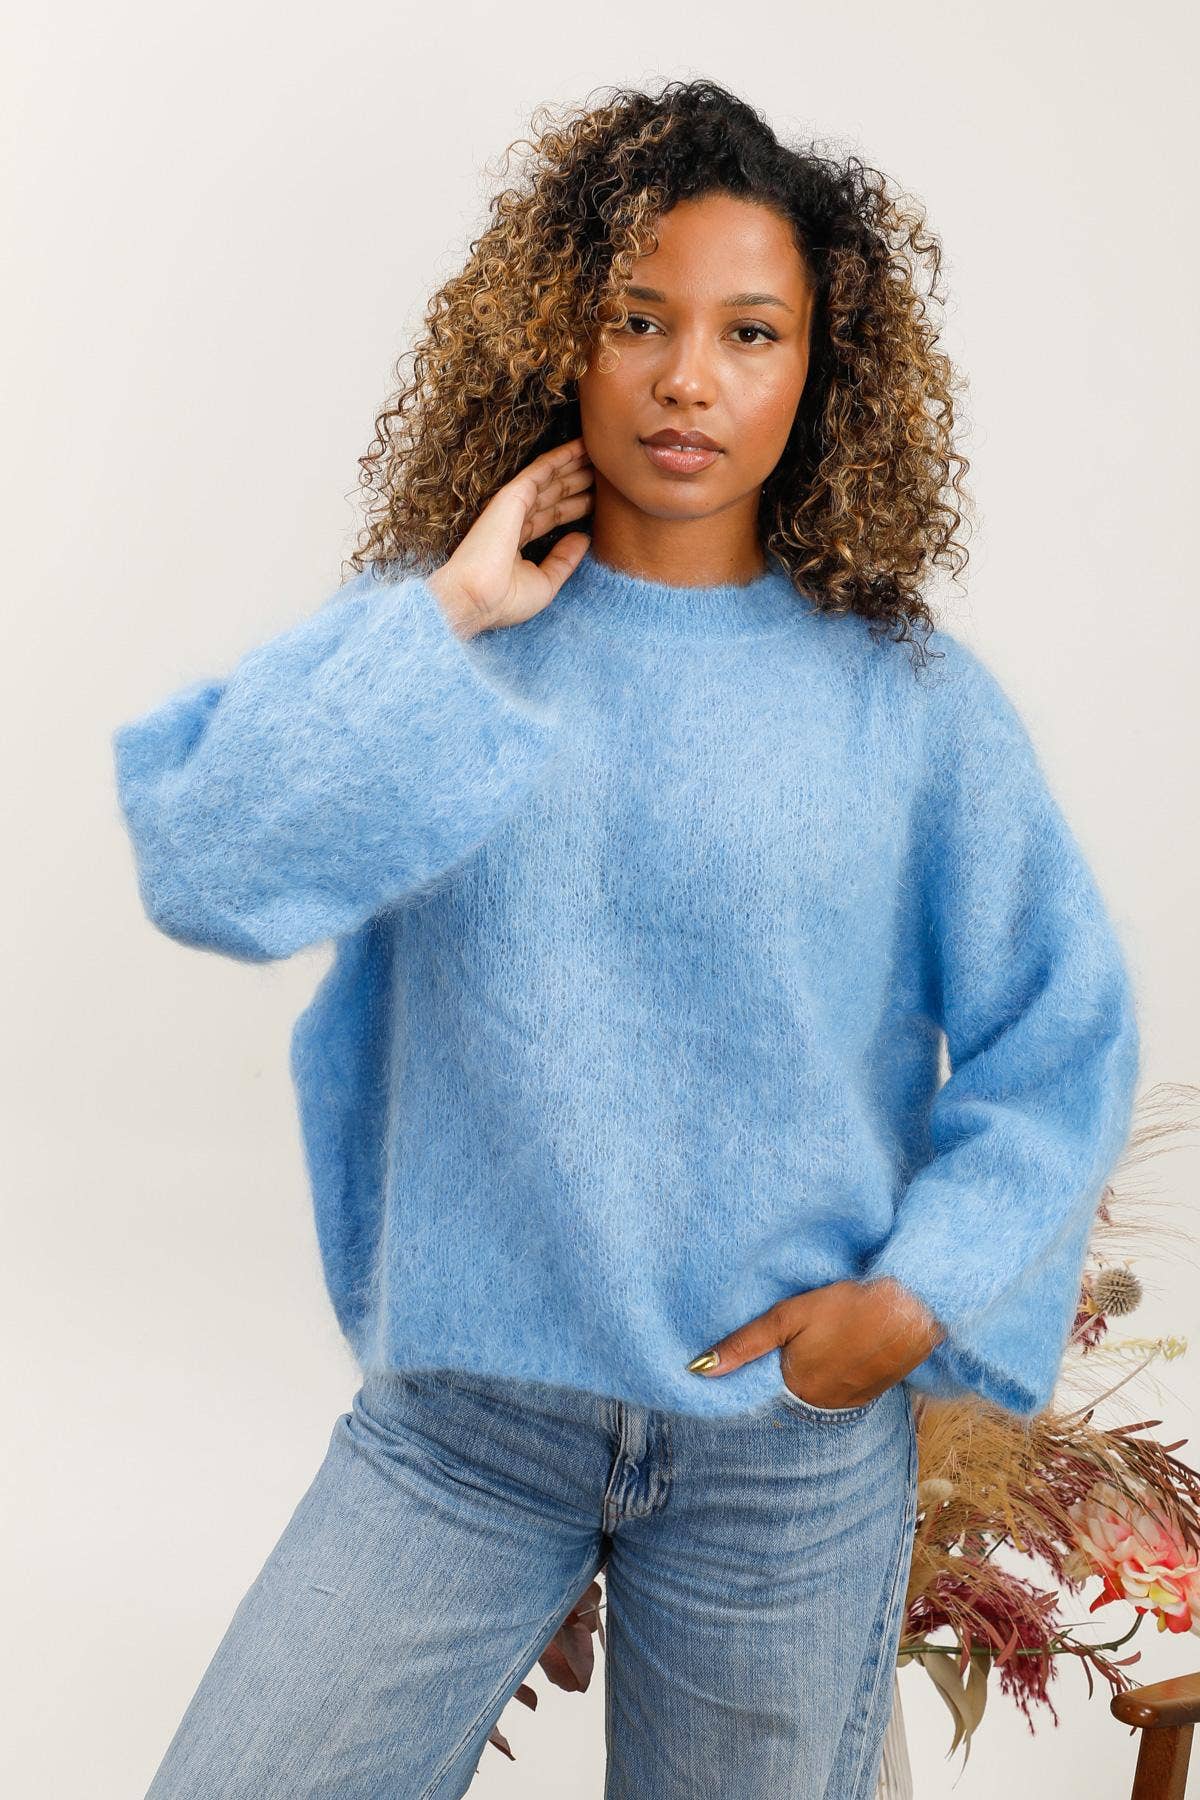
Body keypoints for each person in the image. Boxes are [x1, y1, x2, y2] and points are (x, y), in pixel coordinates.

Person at [112, 78, 1139, 1800]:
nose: (687, 378)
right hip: (464, 1431)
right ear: (557, 334)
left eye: (751, 332)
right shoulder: (447, 651)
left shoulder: (908, 703)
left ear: (821, 368)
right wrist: (449, 609)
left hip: (779, 1462)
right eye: (639, 319)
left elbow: (1063, 1030)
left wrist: (916, 1299)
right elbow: (206, 863)